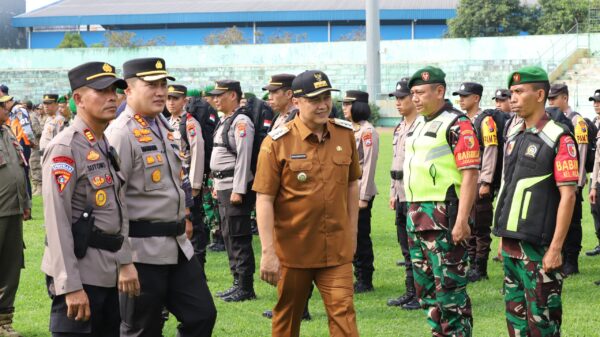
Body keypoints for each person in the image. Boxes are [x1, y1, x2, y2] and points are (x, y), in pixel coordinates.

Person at [105, 57, 216, 336]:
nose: (160, 91)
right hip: (141, 252)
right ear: (128, 91)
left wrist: (187, 215)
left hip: (177, 245)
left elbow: (176, 179)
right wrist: (123, 261)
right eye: (151, 84)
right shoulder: (120, 133)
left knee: (202, 315)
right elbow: (111, 204)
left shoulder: (165, 127)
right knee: (143, 327)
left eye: (163, 83)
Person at [253, 70, 361, 337]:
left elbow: (351, 184)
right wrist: (268, 251)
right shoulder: (276, 142)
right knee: (287, 317)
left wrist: (352, 232)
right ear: (296, 101)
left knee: (344, 315)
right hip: (293, 251)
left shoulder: (344, 134)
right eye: (315, 99)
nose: (323, 104)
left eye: (326, 97)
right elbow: (264, 199)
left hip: (336, 249)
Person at [40, 61, 138, 337]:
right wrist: (69, 285)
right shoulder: (65, 148)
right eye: (102, 90)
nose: (112, 97)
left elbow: (118, 210)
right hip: (80, 275)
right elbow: (56, 224)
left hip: (107, 270)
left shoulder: (102, 143)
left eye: (114, 90)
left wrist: (125, 260)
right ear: (78, 99)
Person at [494, 66, 578, 336]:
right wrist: (502, 238)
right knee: (516, 322)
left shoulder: (559, 138)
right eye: (512, 92)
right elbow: (508, 187)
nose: (513, 97)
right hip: (511, 245)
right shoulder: (514, 134)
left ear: (540, 94)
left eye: (519, 92)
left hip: (539, 248)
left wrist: (555, 248)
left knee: (543, 324)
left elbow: (568, 195)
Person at [405, 66, 478, 336]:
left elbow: (470, 174)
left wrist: (462, 221)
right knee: (427, 294)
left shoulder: (457, 123)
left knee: (450, 295)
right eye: (413, 93)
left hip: (444, 219)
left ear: (439, 91)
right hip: (417, 218)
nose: (415, 98)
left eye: (421, 93)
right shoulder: (418, 123)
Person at [209, 80, 257, 302]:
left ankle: (246, 286)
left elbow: (243, 158)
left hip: (234, 187)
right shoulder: (225, 120)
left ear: (233, 96)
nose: (215, 99)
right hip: (223, 186)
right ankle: (236, 281)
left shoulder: (241, 122)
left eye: (220, 95)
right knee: (228, 235)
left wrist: (239, 190)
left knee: (238, 237)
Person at [453, 82, 498, 282]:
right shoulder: (462, 120)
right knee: (467, 221)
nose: (461, 99)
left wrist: (486, 180)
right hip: (464, 180)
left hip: (479, 179)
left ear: (476, 98)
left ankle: (480, 267)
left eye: (465, 95)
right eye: (460, 96)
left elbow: (490, 150)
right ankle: (470, 263)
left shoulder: (485, 120)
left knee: (480, 225)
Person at [386, 78, 420, 310]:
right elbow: (395, 163)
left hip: (415, 195)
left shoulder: (421, 125)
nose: (398, 103)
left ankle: (421, 293)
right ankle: (411, 291)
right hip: (400, 194)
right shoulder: (400, 127)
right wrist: (391, 191)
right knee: (405, 247)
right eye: (396, 98)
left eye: (402, 98)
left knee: (418, 248)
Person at [341, 90, 379, 293]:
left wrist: (363, 197)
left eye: (348, 104)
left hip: (360, 191)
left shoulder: (367, 131)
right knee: (349, 233)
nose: (344, 107)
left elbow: (370, 165)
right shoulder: (349, 129)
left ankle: (365, 279)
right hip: (347, 190)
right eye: (344, 104)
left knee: (361, 235)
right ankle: (356, 275)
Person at [547, 83, 587, 275]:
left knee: (573, 222)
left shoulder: (576, 121)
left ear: (565, 98)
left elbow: (581, 151)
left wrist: (578, 183)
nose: (551, 102)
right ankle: (560, 256)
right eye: (549, 99)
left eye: (554, 98)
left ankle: (571, 261)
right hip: (557, 180)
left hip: (572, 180)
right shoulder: (551, 120)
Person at [0, 95, 31, 337]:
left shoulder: (8, 132)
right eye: (2, 106)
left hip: (13, 210)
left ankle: (4, 322)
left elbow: (20, 168)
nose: (7, 108)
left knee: (11, 267)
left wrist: (26, 202)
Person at [3, 97, 35, 198]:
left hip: (23, 143)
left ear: (9, 102)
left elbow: (26, 127)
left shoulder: (18, 109)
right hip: (18, 142)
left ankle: (28, 198)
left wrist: (32, 141)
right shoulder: (12, 111)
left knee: (24, 173)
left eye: (4, 104)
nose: (4, 107)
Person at [588, 89, 600, 258]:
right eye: (594, 101)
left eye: (598, 101)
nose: (596, 104)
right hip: (596, 178)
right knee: (596, 212)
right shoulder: (594, 123)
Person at [29, 103, 46, 196]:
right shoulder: (38, 117)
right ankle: (35, 186)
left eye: (41, 108)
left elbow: (39, 131)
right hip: (36, 144)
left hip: (39, 144)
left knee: (36, 164)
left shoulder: (47, 118)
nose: (39, 110)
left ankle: (40, 187)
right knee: (33, 164)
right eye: (38, 109)